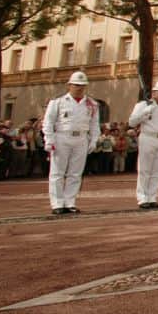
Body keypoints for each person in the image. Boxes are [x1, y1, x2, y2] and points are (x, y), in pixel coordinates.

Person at [41, 71, 99, 215]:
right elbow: (48, 122)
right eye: (76, 85)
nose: (79, 88)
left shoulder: (92, 104)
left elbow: (94, 124)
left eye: (82, 85)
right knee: (57, 172)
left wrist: (93, 140)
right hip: (62, 137)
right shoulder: (58, 102)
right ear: (69, 85)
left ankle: (70, 202)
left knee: (75, 173)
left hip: (81, 139)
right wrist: (49, 139)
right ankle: (57, 203)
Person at [128, 79, 158, 210]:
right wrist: (144, 113)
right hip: (148, 137)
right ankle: (142, 197)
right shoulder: (143, 105)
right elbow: (132, 122)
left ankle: (152, 196)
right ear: (154, 92)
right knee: (145, 169)